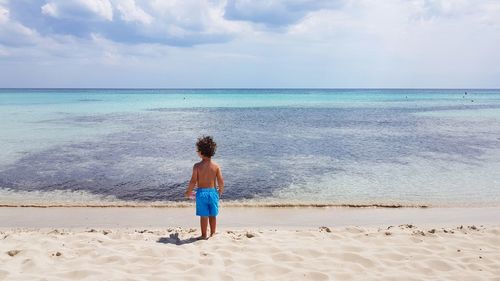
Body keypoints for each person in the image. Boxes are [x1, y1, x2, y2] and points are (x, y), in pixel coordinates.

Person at [185, 136, 224, 240]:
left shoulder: (197, 166)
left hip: (201, 193)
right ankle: (213, 233)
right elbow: (220, 180)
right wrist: (220, 190)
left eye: (198, 150)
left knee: (204, 215)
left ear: (201, 152)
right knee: (213, 214)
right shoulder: (216, 166)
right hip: (213, 193)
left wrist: (189, 192)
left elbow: (193, 181)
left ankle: (203, 235)